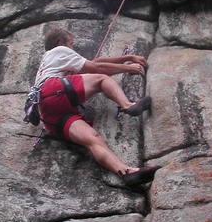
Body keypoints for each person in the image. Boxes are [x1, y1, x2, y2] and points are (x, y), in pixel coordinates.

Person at [34, 27, 159, 186]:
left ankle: (126, 172)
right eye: (71, 44)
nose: (72, 48)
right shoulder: (59, 50)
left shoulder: (48, 64)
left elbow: (95, 63)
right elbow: (96, 69)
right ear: (60, 43)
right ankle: (128, 105)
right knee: (101, 79)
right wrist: (129, 67)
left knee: (93, 139)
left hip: (48, 114)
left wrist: (127, 57)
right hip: (53, 90)